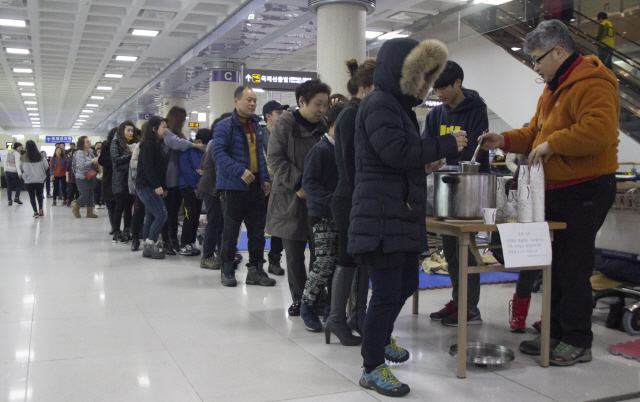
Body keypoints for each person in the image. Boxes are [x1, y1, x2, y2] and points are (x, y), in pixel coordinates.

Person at [480, 20, 619, 366]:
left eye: (538, 59)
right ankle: (554, 333)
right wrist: (506, 140)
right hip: (556, 189)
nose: (536, 66)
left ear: (559, 51)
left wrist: (553, 144)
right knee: (552, 268)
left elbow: (599, 131)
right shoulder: (553, 89)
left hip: (585, 188)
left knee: (573, 267)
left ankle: (577, 340)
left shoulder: (593, 84)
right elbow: (535, 131)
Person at [350, 38, 465, 396]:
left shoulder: (396, 107)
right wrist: (446, 143)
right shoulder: (379, 103)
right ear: (403, 73)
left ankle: (381, 340)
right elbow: (396, 152)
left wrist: (425, 162)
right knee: (386, 293)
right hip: (381, 216)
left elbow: (398, 158)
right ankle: (372, 366)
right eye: (421, 76)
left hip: (396, 213)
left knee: (404, 285)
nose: (425, 85)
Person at [423, 60, 489, 327]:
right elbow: (427, 149)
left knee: (467, 247)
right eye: (435, 89)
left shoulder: (477, 110)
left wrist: (444, 149)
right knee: (450, 249)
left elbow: (472, 150)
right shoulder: (435, 116)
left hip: (470, 189)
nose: (439, 94)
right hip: (442, 189)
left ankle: (470, 307)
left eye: (443, 88)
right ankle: (459, 299)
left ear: (458, 83)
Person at [267, 79, 331, 315]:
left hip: (318, 199)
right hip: (289, 198)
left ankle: (316, 297)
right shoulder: (284, 124)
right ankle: (300, 300)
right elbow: (275, 159)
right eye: (317, 104)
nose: (322, 110)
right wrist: (298, 183)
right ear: (301, 101)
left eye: (325, 104)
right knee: (294, 254)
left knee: (320, 251)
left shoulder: (324, 125)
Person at [327, 58, 376, 346]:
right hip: (349, 197)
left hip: (356, 196)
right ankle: (336, 318)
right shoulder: (349, 115)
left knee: (361, 259)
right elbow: (351, 165)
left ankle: (357, 315)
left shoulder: (360, 112)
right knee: (347, 259)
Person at [212, 86, 274, 287]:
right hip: (233, 187)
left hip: (255, 186)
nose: (253, 104)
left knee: (257, 232)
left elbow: (260, 157)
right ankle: (227, 270)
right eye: (249, 100)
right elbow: (218, 154)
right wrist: (240, 171)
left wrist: (265, 179)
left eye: (255, 100)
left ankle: (255, 270)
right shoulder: (225, 125)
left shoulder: (257, 126)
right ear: (236, 101)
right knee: (230, 232)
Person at [299, 102, 346, 332]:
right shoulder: (321, 149)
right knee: (324, 263)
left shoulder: (345, 149)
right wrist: (332, 200)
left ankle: (331, 309)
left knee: (338, 264)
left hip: (341, 216)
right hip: (321, 215)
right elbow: (308, 182)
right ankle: (307, 305)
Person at [161, 106, 207, 255]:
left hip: (176, 181)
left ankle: (175, 240)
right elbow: (177, 145)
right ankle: (169, 240)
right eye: (182, 119)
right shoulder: (168, 134)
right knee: (171, 213)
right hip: (170, 180)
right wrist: (194, 145)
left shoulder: (179, 135)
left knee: (175, 213)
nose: (184, 122)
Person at [199, 114, 231, 269]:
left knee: (221, 223)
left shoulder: (215, 142)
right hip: (212, 188)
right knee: (214, 222)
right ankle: (207, 256)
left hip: (214, 186)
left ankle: (221, 254)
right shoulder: (217, 142)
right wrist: (220, 189)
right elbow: (218, 167)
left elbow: (203, 164)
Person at [261, 100, 288, 276]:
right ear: (268, 116)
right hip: (263, 186)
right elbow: (264, 159)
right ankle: (256, 262)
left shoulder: (285, 134)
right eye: (279, 112)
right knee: (259, 226)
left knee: (280, 225)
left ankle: (275, 259)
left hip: (281, 185)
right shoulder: (260, 134)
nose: (282, 115)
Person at [136, 116, 169, 260]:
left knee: (150, 216)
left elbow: (161, 168)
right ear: (154, 129)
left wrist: (164, 186)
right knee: (162, 215)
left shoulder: (157, 145)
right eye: (163, 127)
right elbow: (148, 168)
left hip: (153, 186)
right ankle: (150, 245)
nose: (166, 130)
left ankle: (147, 246)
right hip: (147, 186)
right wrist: (157, 186)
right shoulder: (148, 145)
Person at [177, 129, 210, 256]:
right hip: (187, 186)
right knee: (189, 215)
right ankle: (184, 244)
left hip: (198, 187)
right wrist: (194, 187)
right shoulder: (186, 148)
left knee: (196, 215)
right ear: (199, 141)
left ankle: (191, 242)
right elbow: (186, 170)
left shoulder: (202, 152)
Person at [111, 121, 139, 243]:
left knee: (129, 207)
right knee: (120, 207)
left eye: (132, 131)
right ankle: (116, 232)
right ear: (122, 130)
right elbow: (116, 160)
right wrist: (131, 154)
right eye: (128, 130)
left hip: (131, 179)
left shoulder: (132, 143)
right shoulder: (116, 142)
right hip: (120, 179)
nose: (130, 133)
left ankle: (127, 230)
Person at [72, 136, 100, 218]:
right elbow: (82, 166)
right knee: (85, 193)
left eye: (89, 141)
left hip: (90, 175)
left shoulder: (89, 151)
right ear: (82, 144)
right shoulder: (80, 153)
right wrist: (92, 161)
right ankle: (76, 208)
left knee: (91, 193)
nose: (89, 143)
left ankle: (89, 212)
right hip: (82, 176)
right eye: (87, 142)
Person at [20, 141, 49, 218]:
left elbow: (20, 167)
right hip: (39, 179)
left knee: (31, 195)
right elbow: (46, 166)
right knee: (39, 194)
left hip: (28, 180)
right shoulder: (41, 156)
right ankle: (40, 208)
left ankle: (35, 212)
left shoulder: (24, 157)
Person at [99, 129, 117, 233]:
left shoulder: (125, 145)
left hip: (121, 177)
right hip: (109, 178)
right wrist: (115, 159)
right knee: (111, 203)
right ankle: (114, 227)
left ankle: (119, 227)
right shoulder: (107, 145)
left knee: (120, 203)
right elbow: (102, 160)